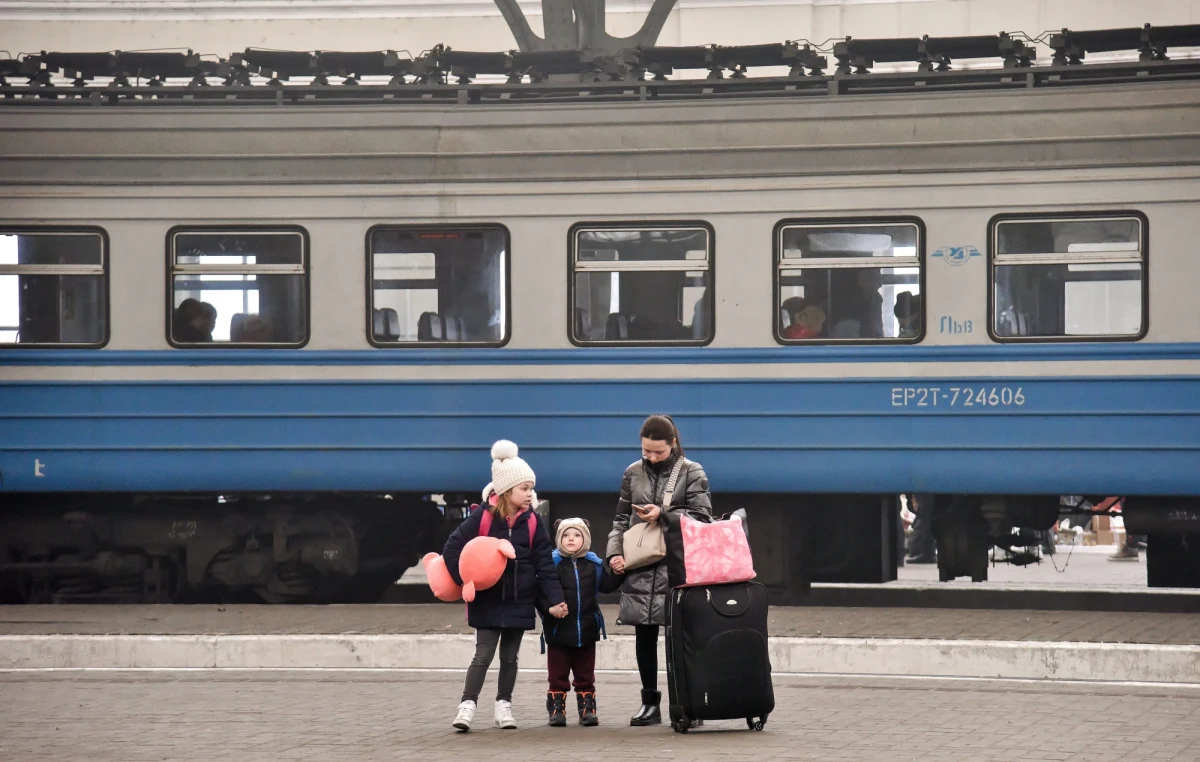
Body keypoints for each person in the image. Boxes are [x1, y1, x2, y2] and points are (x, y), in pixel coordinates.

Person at [441, 440, 568, 732]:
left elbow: (544, 564)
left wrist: (555, 598)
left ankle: (503, 706)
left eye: (531, 488)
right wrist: (464, 581)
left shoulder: (533, 521)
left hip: (520, 600)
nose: (530, 494)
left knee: (510, 657)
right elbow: (452, 548)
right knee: (483, 655)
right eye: (524, 488)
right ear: (507, 490)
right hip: (486, 599)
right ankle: (467, 705)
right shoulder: (482, 517)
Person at [606, 415, 712, 726]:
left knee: (681, 638)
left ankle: (689, 703)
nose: (651, 457)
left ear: (673, 444)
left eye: (658, 452)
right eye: (646, 451)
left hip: (677, 565)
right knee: (644, 635)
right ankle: (649, 704)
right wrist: (614, 552)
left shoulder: (692, 471)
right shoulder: (632, 473)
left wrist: (663, 514)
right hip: (640, 564)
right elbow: (620, 519)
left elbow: (703, 517)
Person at [538, 518, 624, 727]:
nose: (571, 539)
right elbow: (539, 593)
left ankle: (587, 709)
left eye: (577, 535)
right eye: (566, 535)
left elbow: (606, 586)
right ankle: (556, 709)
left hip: (586, 629)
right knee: (557, 674)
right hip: (558, 630)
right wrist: (549, 609)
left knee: (585, 674)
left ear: (586, 539)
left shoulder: (594, 564)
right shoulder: (552, 564)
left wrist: (619, 572)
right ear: (559, 539)